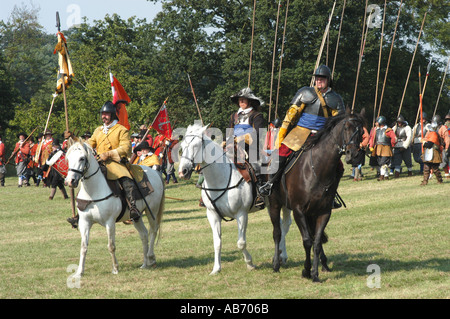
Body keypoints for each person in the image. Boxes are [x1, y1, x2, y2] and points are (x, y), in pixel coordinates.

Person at [259, 65, 344, 198]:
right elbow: (290, 116)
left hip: (322, 135)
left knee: (339, 166)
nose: (319, 81)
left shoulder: (336, 99)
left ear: (328, 80)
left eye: (322, 78)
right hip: (301, 132)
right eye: (317, 78)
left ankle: (332, 194)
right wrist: (281, 135)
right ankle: (270, 184)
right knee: (281, 153)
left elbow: (339, 122)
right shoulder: (305, 93)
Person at [86, 101, 141, 222]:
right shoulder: (98, 130)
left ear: (111, 115)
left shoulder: (121, 130)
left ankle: (133, 208)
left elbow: (126, 148)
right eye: (102, 114)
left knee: (126, 180)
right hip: (99, 162)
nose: (103, 116)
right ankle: (82, 210)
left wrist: (109, 154)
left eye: (106, 114)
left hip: (116, 163)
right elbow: (89, 144)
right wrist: (74, 141)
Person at [228, 87, 266, 208]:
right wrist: (225, 142)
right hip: (233, 146)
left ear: (250, 101)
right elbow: (229, 131)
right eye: (240, 100)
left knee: (256, 166)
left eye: (244, 100)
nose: (241, 102)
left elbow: (258, 133)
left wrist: (243, 139)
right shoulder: (234, 116)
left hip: (251, 148)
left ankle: (260, 194)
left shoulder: (257, 115)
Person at [369, 116, 396, 181]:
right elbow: (372, 138)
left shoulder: (388, 130)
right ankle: (386, 176)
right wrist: (371, 146)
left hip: (386, 148)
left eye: (377, 122)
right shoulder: (375, 130)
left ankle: (382, 176)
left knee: (383, 163)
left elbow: (394, 139)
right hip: (378, 148)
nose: (376, 123)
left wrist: (392, 145)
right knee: (381, 163)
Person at [437, 112, 450, 178]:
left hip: (445, 145)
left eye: (449, 120)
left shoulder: (443, 128)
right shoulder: (441, 127)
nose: (448, 121)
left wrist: (447, 146)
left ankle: (447, 173)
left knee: (444, 159)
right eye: (447, 120)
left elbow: (447, 137)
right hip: (438, 146)